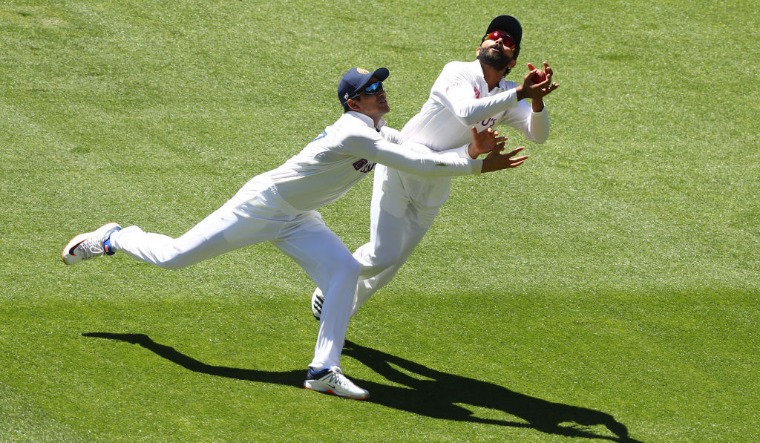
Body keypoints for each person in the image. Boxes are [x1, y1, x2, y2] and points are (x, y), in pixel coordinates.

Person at [61, 66, 530, 400]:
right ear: (353, 101)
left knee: (345, 271)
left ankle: (324, 370)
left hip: (301, 218)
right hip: (263, 207)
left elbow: (413, 148)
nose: (382, 92)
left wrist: (472, 151)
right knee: (176, 257)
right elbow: (417, 162)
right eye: (372, 88)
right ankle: (115, 236)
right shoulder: (354, 132)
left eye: (381, 84)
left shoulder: (378, 129)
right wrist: (473, 164)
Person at [310, 15, 560, 320]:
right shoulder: (457, 72)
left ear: (513, 60)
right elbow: (467, 112)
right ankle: (332, 279)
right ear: (479, 44)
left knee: (388, 269)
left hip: (439, 179)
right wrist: (522, 93)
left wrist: (536, 102)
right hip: (403, 164)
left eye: (507, 41)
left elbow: (539, 134)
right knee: (381, 254)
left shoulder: (506, 96)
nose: (498, 40)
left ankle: (339, 314)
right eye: (493, 34)